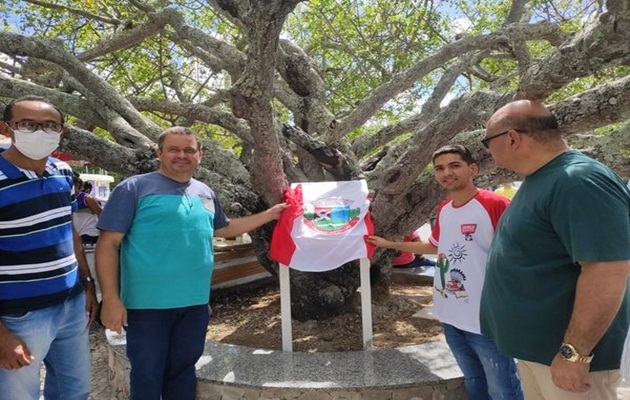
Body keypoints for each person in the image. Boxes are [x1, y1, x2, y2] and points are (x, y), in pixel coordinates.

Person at [96, 126, 287, 400]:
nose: (181, 155)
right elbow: (108, 244)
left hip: (195, 304)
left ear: (200, 155)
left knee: (183, 371)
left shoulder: (204, 192)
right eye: (173, 149)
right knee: (147, 373)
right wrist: (111, 299)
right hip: (146, 305)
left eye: (189, 150)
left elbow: (224, 228)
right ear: (159, 153)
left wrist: (270, 215)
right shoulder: (133, 187)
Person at [480, 99, 630, 399]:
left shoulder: (577, 181)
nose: (487, 151)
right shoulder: (543, 179)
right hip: (540, 355)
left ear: (512, 138)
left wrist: (574, 354)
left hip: (568, 363)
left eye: (487, 142)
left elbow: (608, 270)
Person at [368, 145, 523, 399]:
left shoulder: (494, 203)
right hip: (451, 314)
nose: (446, 173)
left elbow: (519, 253)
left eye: (454, 165)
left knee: (503, 387)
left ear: (472, 169)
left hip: (486, 317)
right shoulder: (445, 209)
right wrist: (390, 244)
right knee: (473, 380)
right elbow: (435, 246)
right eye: (439, 168)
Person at [0, 96, 97, 399]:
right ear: (8, 128)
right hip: (20, 316)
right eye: (28, 124)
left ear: (61, 131)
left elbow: (68, 231)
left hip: (71, 305)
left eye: (50, 125)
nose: (40, 132)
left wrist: (88, 285)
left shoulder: (62, 173)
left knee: (74, 392)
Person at [73, 178, 103, 245]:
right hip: (77, 235)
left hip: (90, 234)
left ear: (77, 185)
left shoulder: (86, 198)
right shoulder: (68, 198)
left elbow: (100, 213)